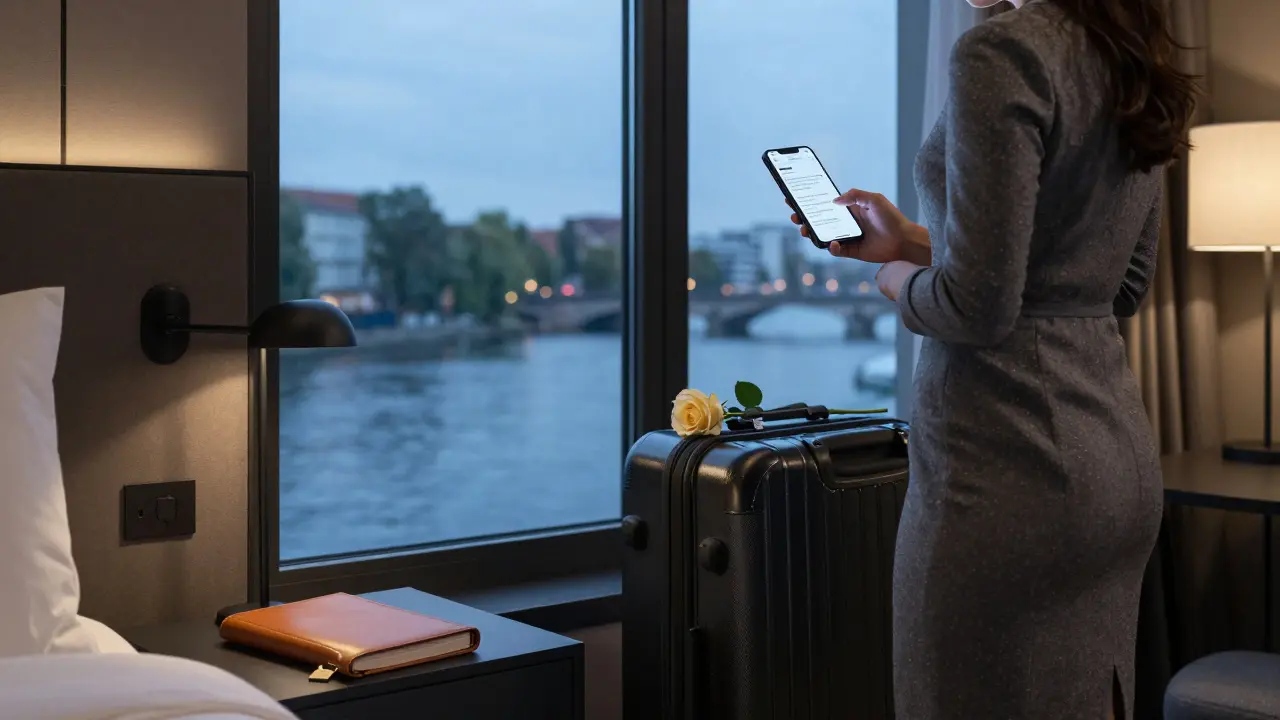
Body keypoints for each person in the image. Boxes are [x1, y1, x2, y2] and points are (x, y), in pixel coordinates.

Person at [785, 0, 1197, 717]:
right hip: (1115, 471)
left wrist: (893, 282)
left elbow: (978, 308)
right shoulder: (1129, 57)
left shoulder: (1000, 53)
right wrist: (912, 241)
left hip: (1005, 469)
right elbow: (1115, 285)